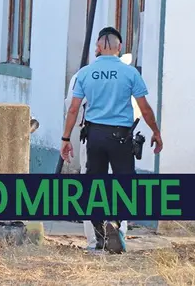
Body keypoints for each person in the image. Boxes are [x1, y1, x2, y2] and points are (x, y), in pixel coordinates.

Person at [60, 26, 163, 253]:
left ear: (97, 47)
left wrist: (66, 138)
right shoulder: (130, 73)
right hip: (121, 138)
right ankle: (116, 225)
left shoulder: (85, 73)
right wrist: (156, 131)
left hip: (94, 136)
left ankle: (97, 237)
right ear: (120, 48)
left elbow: (73, 109)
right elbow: (144, 109)